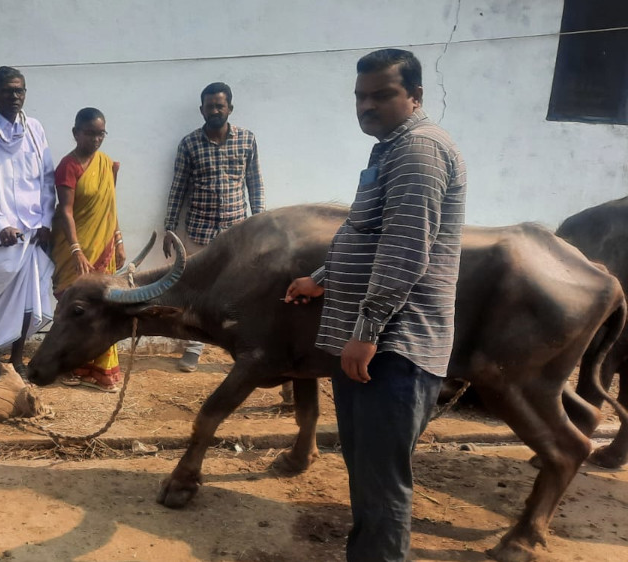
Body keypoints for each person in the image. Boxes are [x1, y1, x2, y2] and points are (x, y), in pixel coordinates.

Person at [284, 48, 466, 561]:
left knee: (381, 487)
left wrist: (366, 333)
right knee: (368, 478)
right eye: (360, 97)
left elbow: (405, 250)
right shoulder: (390, 149)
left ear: (416, 96)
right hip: (381, 344)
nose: (367, 106)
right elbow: (368, 233)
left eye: (382, 95)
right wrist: (322, 278)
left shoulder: (419, 151)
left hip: (394, 348)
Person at [163, 82, 265, 372]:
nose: (215, 110)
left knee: (240, 290)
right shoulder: (189, 144)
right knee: (196, 290)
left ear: (230, 108)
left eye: (220, 106)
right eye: (210, 106)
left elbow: (255, 183)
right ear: (202, 110)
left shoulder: (247, 140)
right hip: (200, 231)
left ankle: (241, 348)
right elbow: (178, 188)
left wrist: (260, 224)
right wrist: (170, 227)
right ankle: (194, 347)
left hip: (237, 232)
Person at [0, 66, 56, 377]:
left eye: (20, 90)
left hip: (33, 231)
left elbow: (47, 178)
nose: (15, 96)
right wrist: (0, 223)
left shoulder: (35, 129)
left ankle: (16, 359)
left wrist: (46, 220)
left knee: (29, 298)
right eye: (7, 90)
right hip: (0, 234)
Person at [50, 107, 124, 392]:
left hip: (104, 247)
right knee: (71, 306)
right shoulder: (68, 166)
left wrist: (119, 241)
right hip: (73, 250)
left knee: (102, 305)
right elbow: (65, 211)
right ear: (76, 133)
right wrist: (76, 250)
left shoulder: (107, 164)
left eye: (100, 134)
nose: (95, 139)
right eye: (90, 133)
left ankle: (95, 369)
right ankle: (63, 363)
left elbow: (110, 208)